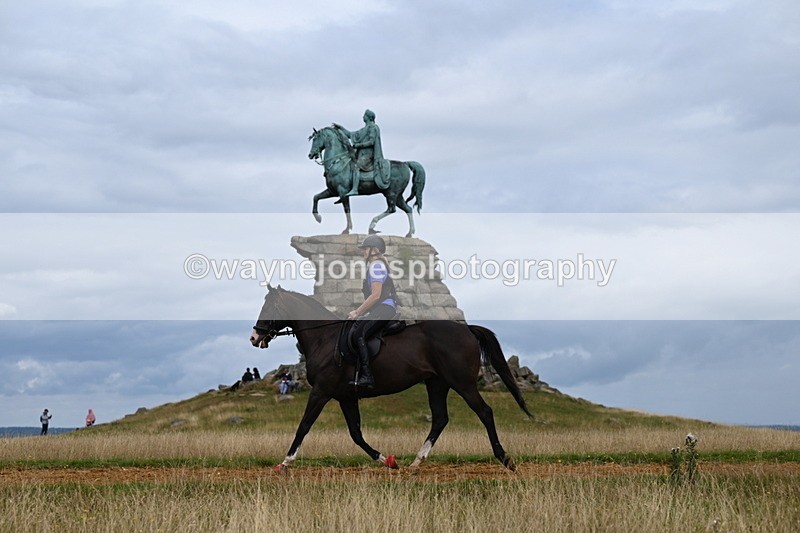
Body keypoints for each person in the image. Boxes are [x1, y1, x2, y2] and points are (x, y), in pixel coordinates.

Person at [347, 235, 398, 388]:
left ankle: (367, 376)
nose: (363, 251)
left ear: (374, 250)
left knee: (358, 334)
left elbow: (375, 295)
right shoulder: (377, 265)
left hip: (384, 308)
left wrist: (357, 312)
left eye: (365, 248)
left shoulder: (376, 266)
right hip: (382, 308)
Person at [332, 109, 390, 195]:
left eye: (364, 115)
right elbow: (350, 134)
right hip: (360, 155)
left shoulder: (373, 127)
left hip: (368, 155)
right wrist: (341, 128)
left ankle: (355, 189)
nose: (363, 117)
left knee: (356, 166)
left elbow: (372, 142)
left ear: (368, 117)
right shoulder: (364, 129)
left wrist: (359, 145)